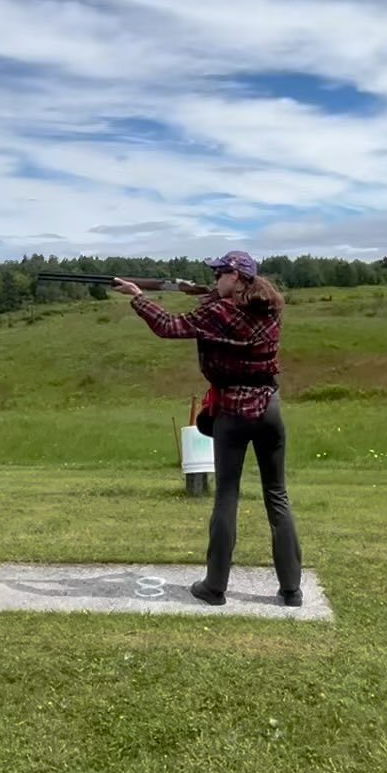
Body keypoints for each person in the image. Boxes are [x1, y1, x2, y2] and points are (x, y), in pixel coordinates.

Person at [113, 250, 303, 608]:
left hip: (232, 409)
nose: (215, 278)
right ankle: (292, 590)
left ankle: (215, 587)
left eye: (220, 274)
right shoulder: (271, 309)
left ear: (236, 276)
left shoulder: (217, 313)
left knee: (227, 496)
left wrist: (138, 297)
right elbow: (228, 312)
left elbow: (169, 326)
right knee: (277, 495)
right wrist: (208, 293)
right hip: (270, 406)